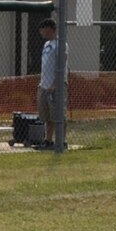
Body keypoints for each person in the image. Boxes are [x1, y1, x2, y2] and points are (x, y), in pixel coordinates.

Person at [35, 19, 63, 149]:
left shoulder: (61, 44)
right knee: (46, 116)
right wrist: (42, 84)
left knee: (56, 115)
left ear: (50, 29)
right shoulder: (46, 44)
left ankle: (60, 141)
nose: (41, 32)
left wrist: (54, 84)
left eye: (43, 29)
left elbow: (61, 66)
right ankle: (48, 141)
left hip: (55, 86)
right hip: (44, 85)